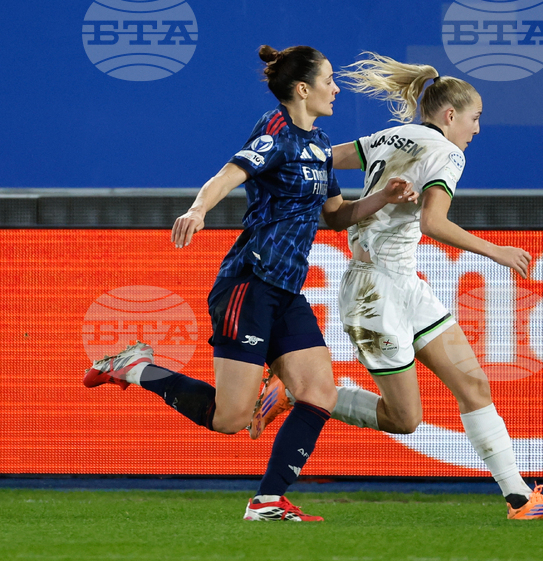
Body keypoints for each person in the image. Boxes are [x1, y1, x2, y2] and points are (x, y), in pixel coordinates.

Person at [83, 45, 417, 522]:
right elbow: (229, 174)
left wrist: (382, 196)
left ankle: (266, 501)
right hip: (250, 284)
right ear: (302, 89)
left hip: (286, 291)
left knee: (319, 392)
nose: (336, 88)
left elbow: (338, 217)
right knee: (231, 418)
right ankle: (136, 367)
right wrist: (199, 209)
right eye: (329, 80)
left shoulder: (321, 143)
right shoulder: (276, 132)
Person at [252, 52, 543, 520]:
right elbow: (432, 222)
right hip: (375, 295)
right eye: (475, 118)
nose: (477, 129)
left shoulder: (393, 136)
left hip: (406, 285)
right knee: (405, 420)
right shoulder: (448, 153)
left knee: (474, 385)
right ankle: (296, 392)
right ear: (451, 115)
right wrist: (498, 252)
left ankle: (521, 498)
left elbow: (326, 158)